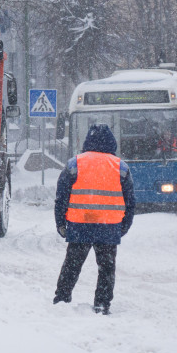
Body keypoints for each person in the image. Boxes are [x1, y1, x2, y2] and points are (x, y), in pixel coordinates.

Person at [53, 124, 135, 315]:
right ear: (111, 143)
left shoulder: (75, 163)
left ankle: (62, 299)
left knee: (72, 265)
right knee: (106, 269)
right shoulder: (120, 167)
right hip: (108, 227)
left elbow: (61, 196)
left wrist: (60, 222)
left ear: (87, 142)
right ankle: (102, 304)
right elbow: (130, 201)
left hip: (79, 225)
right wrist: (124, 226)